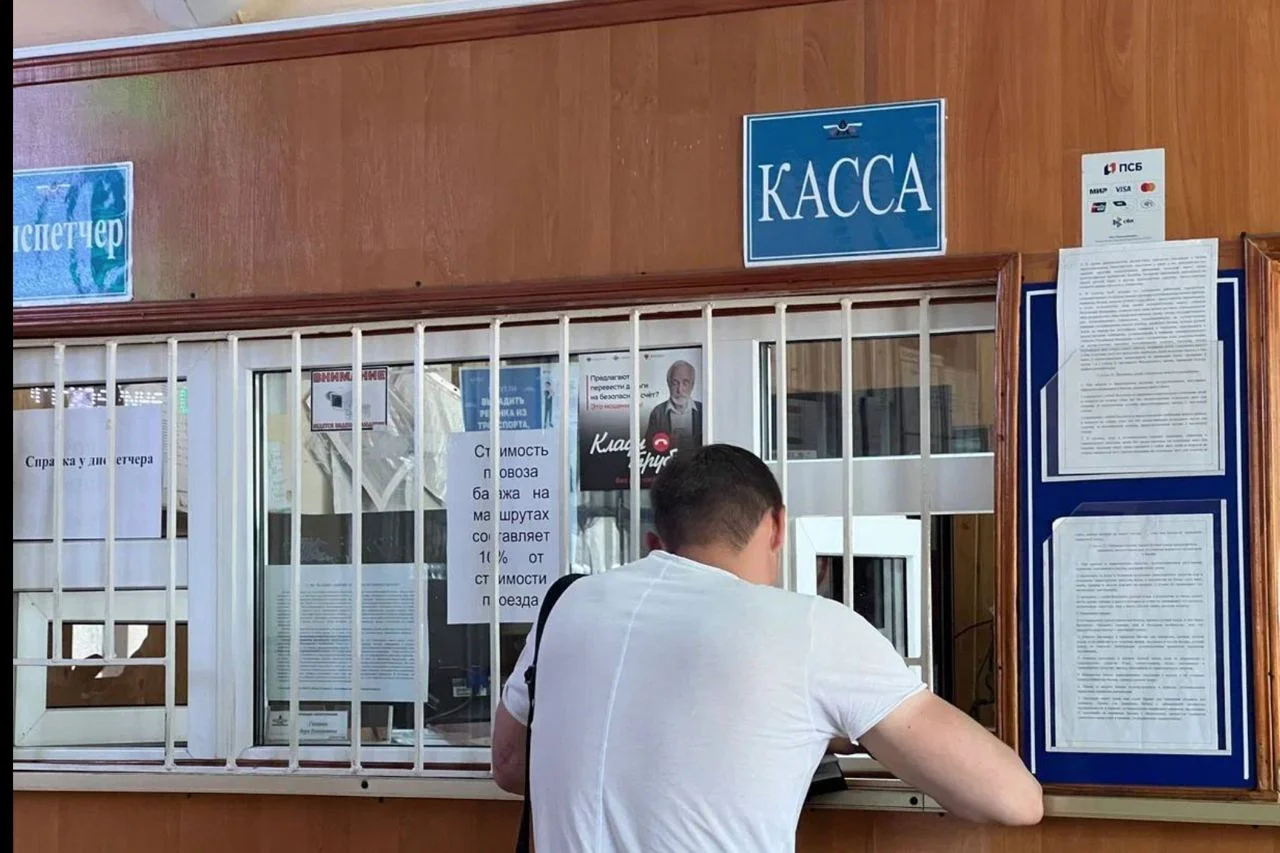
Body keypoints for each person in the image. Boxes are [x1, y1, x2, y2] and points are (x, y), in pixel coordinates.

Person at [492, 444, 1042, 852]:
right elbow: (1012, 800)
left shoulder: (568, 605)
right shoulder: (810, 628)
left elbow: (512, 765)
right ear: (777, 525)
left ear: (656, 540)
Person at [643, 359, 703, 455]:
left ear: (692, 385)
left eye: (685, 383)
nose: (679, 389)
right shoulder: (657, 412)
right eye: (675, 383)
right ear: (668, 384)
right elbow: (649, 449)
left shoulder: (703, 410)